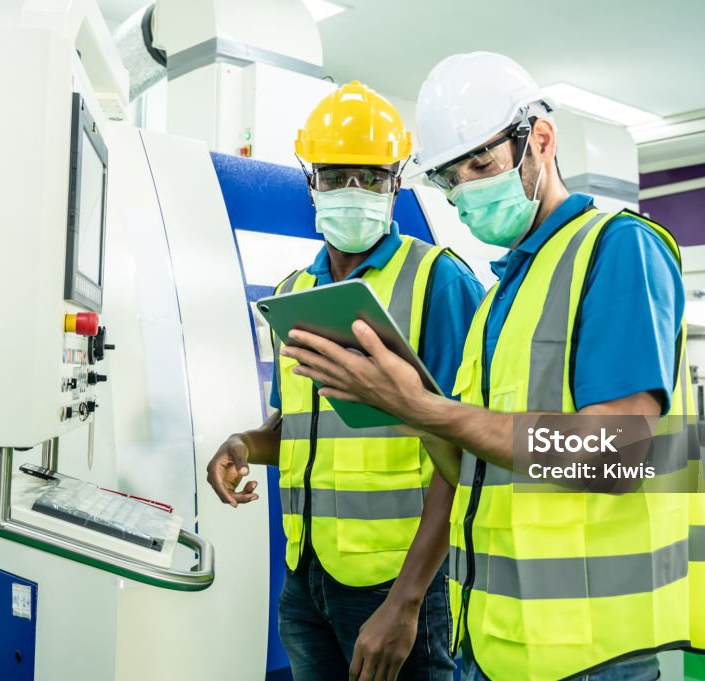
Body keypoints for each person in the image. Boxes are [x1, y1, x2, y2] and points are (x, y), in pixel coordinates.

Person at [277, 54, 705, 681]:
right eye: (450, 178)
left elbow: (620, 450)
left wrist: (422, 407)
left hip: (590, 650)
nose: (466, 191)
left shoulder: (618, 247)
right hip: (495, 637)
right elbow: (467, 458)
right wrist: (391, 402)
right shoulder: (498, 297)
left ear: (540, 139)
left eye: (480, 164)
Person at [206, 81, 484, 681]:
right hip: (306, 579)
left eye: (371, 178)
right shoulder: (292, 295)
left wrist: (407, 602)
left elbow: (466, 451)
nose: (352, 193)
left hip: (400, 582)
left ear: (397, 182)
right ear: (312, 182)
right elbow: (300, 428)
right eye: (335, 177)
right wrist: (246, 445)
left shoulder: (438, 283)